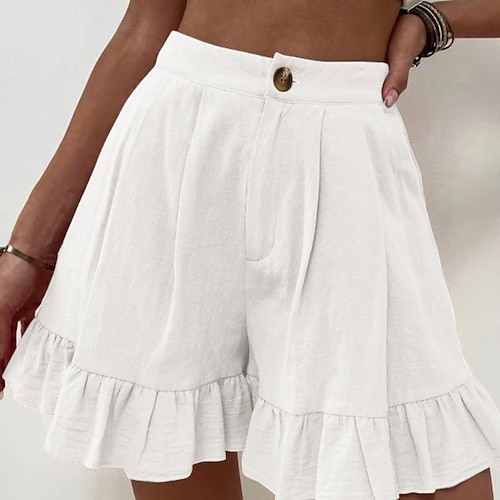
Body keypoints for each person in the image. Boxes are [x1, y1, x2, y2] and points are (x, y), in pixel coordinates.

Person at [1, 1, 500, 499]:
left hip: (348, 151)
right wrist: (26, 254)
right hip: (180, 145)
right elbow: (143, 29)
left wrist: (435, 21)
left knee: (431, 464)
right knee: (170, 442)